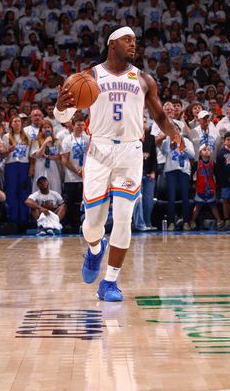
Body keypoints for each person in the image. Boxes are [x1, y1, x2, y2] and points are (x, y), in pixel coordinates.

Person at [54, 26, 181, 302]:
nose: (133, 44)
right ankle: (95, 249)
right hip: (99, 151)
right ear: (112, 44)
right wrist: (59, 106)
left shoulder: (144, 80)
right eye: (127, 40)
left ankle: (110, 282)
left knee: (124, 219)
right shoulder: (89, 77)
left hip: (130, 153)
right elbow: (64, 116)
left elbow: (159, 116)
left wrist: (175, 133)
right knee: (93, 224)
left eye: (135, 40)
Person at [60, 113, 89, 230]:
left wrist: (85, 169)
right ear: (72, 126)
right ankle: (72, 225)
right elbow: (64, 160)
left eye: (82, 125)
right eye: (78, 125)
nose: (81, 127)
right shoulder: (67, 140)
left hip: (85, 176)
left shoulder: (87, 138)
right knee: (71, 203)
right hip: (71, 177)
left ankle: (84, 224)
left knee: (85, 202)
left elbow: (91, 156)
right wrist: (76, 170)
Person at [161, 132, 195, 230]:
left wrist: (182, 145)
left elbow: (192, 155)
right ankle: (171, 222)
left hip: (184, 171)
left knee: (185, 197)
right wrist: (170, 146)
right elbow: (163, 151)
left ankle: (186, 222)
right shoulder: (167, 140)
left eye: (176, 129)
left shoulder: (187, 141)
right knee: (171, 197)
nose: (174, 131)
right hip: (170, 171)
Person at [190, 144, 223, 230]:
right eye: (204, 149)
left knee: (213, 206)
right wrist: (193, 184)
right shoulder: (197, 164)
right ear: (200, 153)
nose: (207, 151)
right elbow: (192, 175)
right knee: (198, 206)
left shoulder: (213, 164)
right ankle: (192, 221)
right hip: (200, 188)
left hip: (210, 188)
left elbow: (217, 176)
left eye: (208, 149)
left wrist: (216, 187)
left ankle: (219, 221)